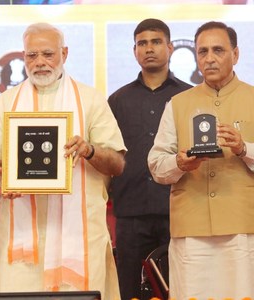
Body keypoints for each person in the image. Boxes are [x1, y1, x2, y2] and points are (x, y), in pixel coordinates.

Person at [0, 22, 126, 299]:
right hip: (23, 240)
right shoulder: (7, 102)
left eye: (47, 54)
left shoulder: (90, 99)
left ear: (65, 53)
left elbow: (118, 164)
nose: (39, 63)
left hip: (80, 236)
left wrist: (89, 151)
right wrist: (3, 181)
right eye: (31, 55)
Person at [148, 21, 254, 299]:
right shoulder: (177, 103)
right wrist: (180, 163)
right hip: (191, 229)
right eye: (202, 51)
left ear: (236, 54)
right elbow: (157, 165)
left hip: (243, 227)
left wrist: (244, 149)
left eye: (218, 50)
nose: (209, 58)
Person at [107, 18, 192, 300]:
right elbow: (110, 153)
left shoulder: (188, 97)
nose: (149, 49)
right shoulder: (118, 100)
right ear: (134, 51)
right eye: (142, 43)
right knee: (129, 290)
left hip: (178, 207)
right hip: (130, 212)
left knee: (179, 288)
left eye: (156, 42)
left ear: (169, 47)